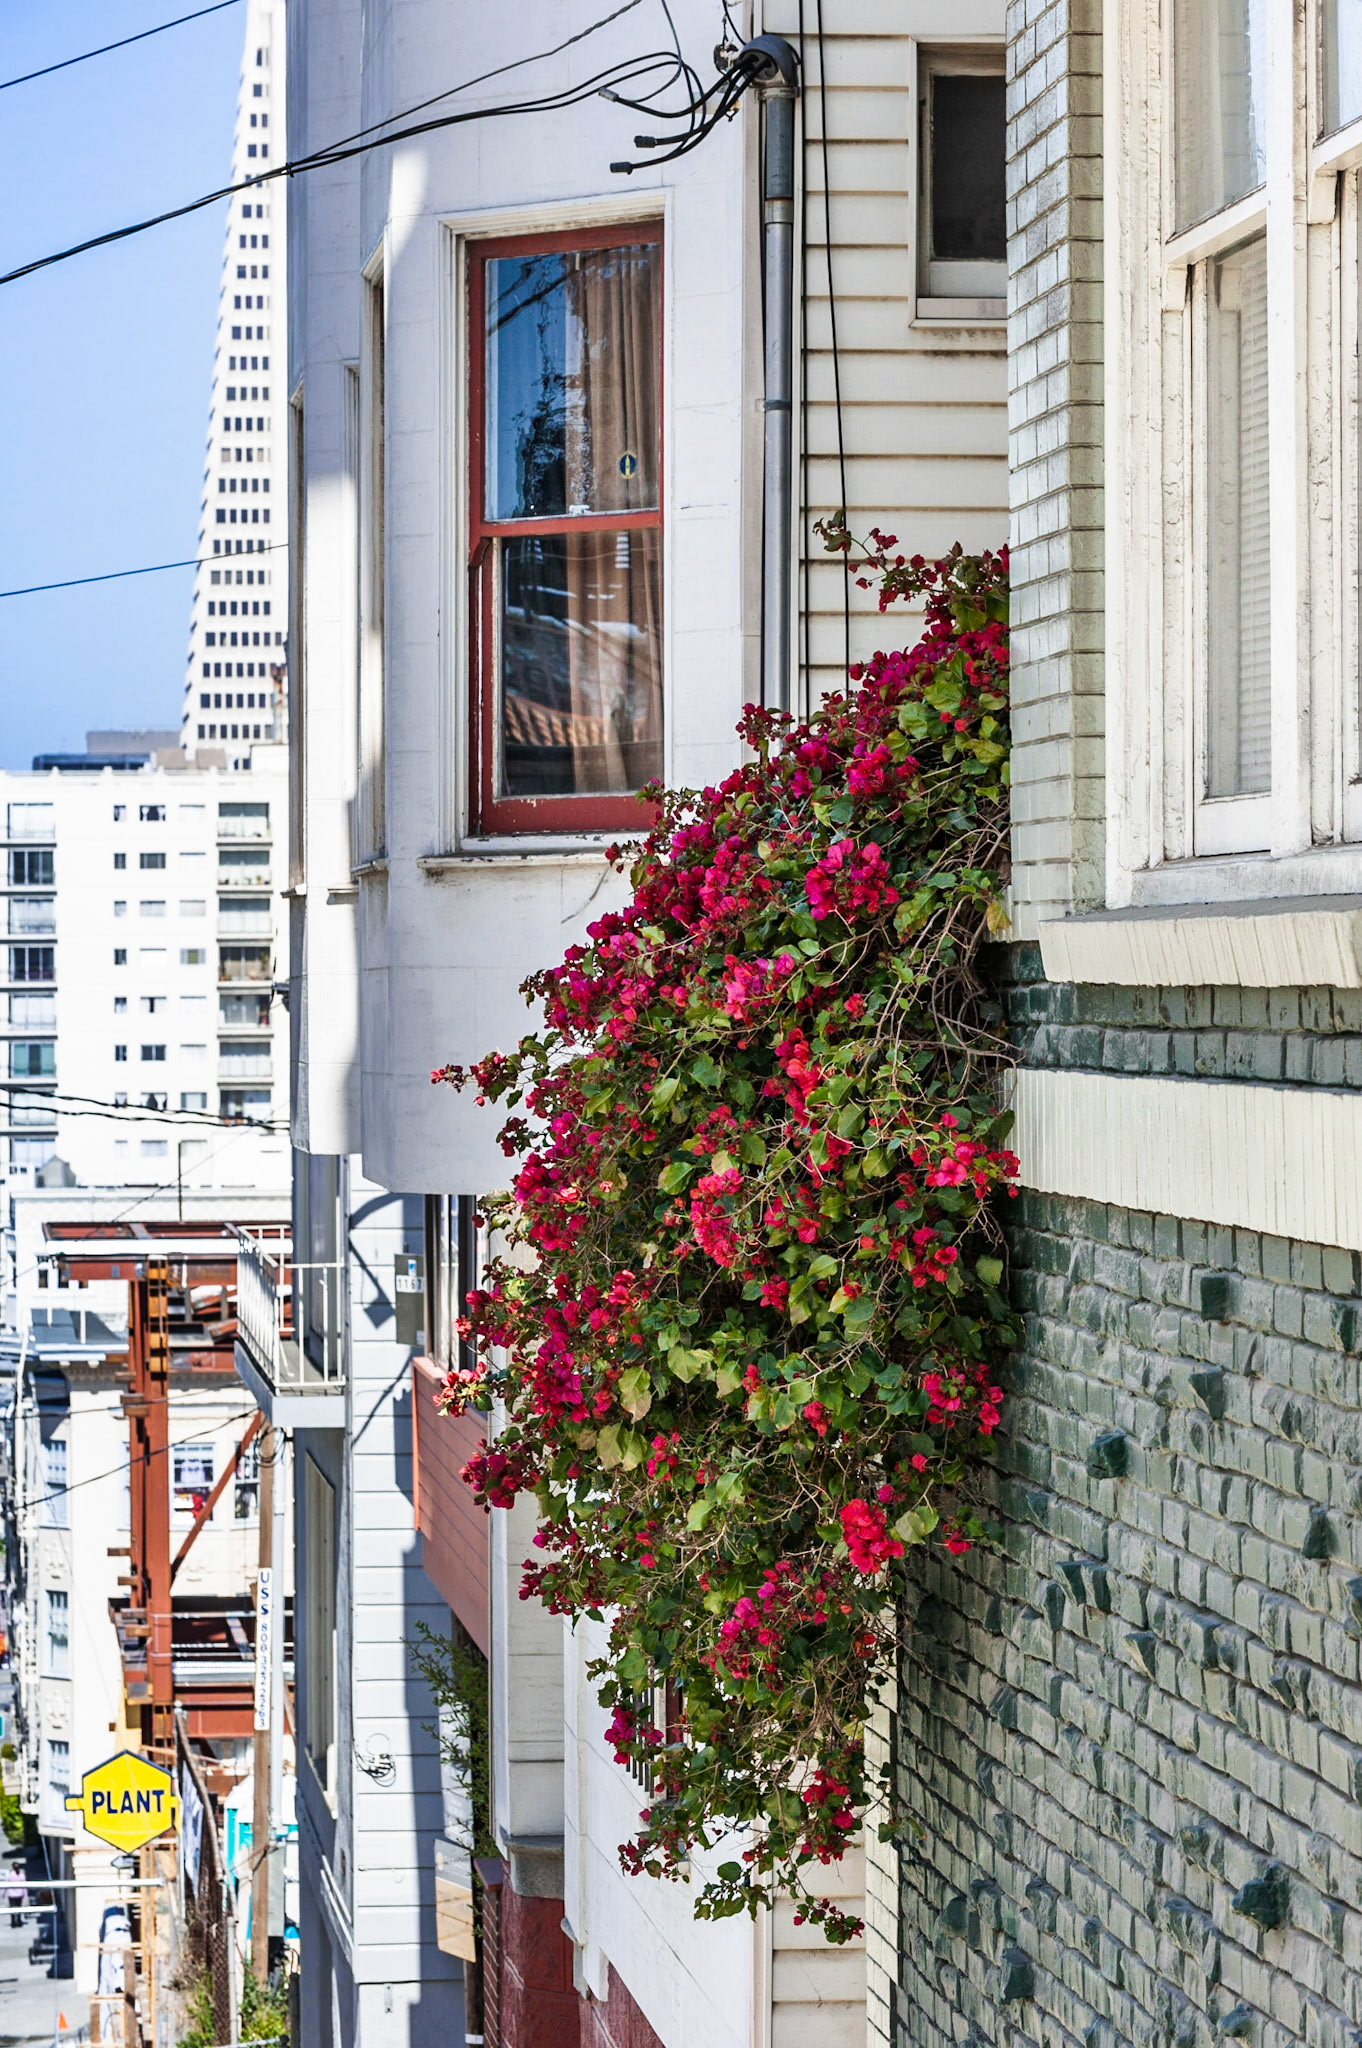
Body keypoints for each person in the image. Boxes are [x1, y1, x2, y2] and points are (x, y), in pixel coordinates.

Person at [6, 1862, 26, 1927]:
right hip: (18, 1895)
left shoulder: (10, 1874)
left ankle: (13, 1922)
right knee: (18, 1908)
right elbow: (24, 1886)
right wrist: (25, 1895)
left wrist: (2, 1894)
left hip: (12, 1895)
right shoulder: (22, 1874)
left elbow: (6, 1884)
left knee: (13, 1909)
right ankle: (18, 1921)